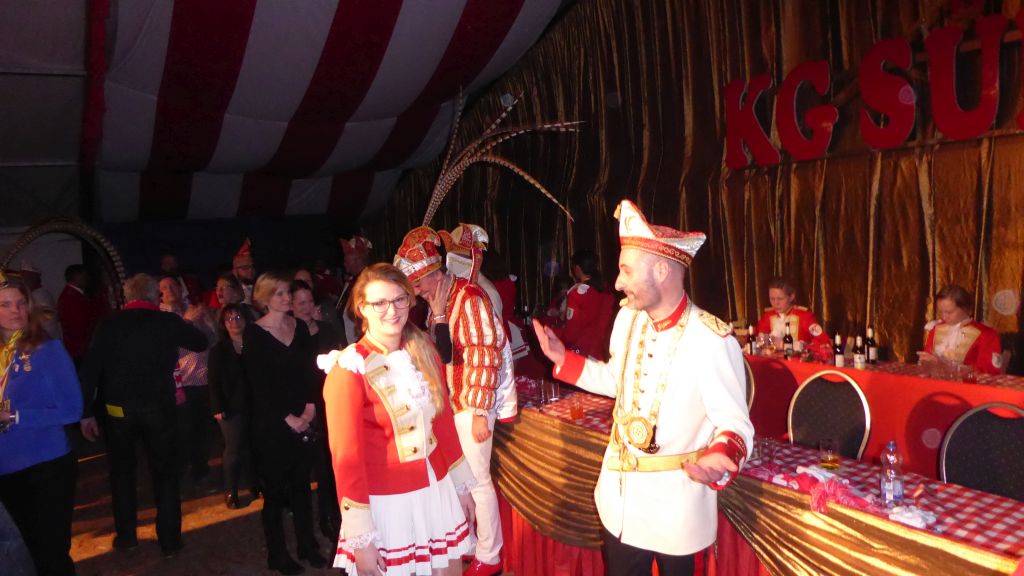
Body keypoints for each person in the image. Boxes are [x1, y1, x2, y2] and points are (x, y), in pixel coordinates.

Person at [532, 200, 753, 576]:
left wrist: (721, 455)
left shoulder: (711, 339)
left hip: (677, 506)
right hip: (620, 501)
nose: (617, 282)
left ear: (662, 271)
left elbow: (736, 423)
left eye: (626, 271)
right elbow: (616, 381)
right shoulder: (627, 319)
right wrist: (562, 359)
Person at [319, 263, 475, 576]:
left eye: (399, 299)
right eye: (379, 302)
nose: (392, 311)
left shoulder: (423, 350)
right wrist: (361, 537)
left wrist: (462, 486)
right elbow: (347, 460)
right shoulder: (349, 370)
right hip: (388, 505)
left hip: (436, 490)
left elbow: (443, 423)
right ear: (362, 308)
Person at [394, 226, 514, 576]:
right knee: (460, 480)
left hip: (471, 404)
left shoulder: (470, 297)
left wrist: (479, 412)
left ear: (434, 274)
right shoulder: (441, 301)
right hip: (453, 402)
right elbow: (443, 354)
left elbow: (484, 354)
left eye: (417, 284)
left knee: (478, 481)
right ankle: (472, 544)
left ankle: (490, 556)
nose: (415, 291)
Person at [79, 273, 207, 557]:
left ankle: (127, 537)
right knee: (165, 474)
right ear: (154, 296)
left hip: (117, 410)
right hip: (159, 407)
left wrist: (85, 412)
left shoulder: (108, 324)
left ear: (126, 297)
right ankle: (170, 541)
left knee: (122, 473)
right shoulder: (166, 321)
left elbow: (90, 369)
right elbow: (200, 343)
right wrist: (183, 324)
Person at [0, 271, 83, 575]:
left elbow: (72, 410)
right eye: (5, 304)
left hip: (46, 464)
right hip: (6, 467)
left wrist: (16, 416)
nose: (16, 310)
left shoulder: (46, 349)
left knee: (52, 555)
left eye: (21, 303)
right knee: (27, 553)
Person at [242, 272, 325, 574]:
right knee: (275, 492)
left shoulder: (299, 326)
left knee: (302, 486)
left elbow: (310, 370)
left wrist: (310, 407)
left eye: (287, 292)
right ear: (264, 298)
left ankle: (307, 545)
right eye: (279, 293)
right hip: (271, 423)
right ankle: (277, 554)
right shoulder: (255, 334)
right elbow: (258, 384)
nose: (287, 298)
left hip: (303, 415)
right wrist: (287, 417)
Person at [290, 279, 343, 540]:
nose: (307, 307)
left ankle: (333, 517)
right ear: (291, 305)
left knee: (331, 464)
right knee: (309, 468)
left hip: (329, 403)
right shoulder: (288, 334)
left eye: (310, 301)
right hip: (303, 408)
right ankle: (312, 527)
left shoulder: (326, 330)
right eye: (301, 302)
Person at [159, 275, 216, 486]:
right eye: (165, 287)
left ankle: (201, 469)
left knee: (202, 429)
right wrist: (188, 322)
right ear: (159, 294)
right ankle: (180, 474)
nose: (170, 290)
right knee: (183, 430)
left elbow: (212, 339)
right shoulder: (161, 316)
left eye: (173, 285)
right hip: (180, 384)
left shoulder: (194, 309)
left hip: (203, 379)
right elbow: (167, 345)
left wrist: (205, 322)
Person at [207, 303, 254, 509]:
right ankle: (230, 490)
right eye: (229, 319)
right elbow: (213, 381)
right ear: (223, 324)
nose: (234, 322)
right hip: (230, 406)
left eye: (238, 317)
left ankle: (255, 484)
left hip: (254, 403)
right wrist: (217, 407)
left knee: (252, 446)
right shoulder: (219, 350)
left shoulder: (255, 344)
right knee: (233, 448)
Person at [919, 284, 1004, 375]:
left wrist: (947, 366)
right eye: (940, 312)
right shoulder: (935, 329)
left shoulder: (986, 334)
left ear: (966, 309)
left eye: (949, 312)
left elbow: (990, 372)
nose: (944, 317)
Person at [552, 249, 616, 361]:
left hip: (583, 354)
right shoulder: (606, 289)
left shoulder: (577, 294)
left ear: (577, 269)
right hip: (602, 353)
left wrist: (553, 333)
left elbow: (571, 335)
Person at [754, 277, 828, 349]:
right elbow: (756, 339)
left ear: (792, 297)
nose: (775, 303)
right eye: (772, 299)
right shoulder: (768, 316)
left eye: (780, 299)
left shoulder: (805, 317)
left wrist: (792, 345)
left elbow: (825, 343)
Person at [57, 264, 99, 366]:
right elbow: (80, 325)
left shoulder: (71, 295)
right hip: (80, 349)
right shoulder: (71, 298)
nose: (87, 279)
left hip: (79, 348)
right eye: (85, 275)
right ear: (78, 276)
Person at [337, 235, 373, 346]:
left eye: (346, 260)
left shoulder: (368, 281)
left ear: (357, 260)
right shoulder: (351, 280)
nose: (344, 264)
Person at [233, 239, 257, 306]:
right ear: (235, 271)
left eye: (252, 267)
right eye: (245, 268)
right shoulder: (231, 293)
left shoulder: (261, 289)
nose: (250, 270)